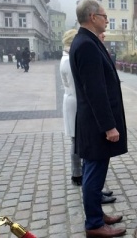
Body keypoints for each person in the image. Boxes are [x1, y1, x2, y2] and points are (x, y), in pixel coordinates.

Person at [69, 0, 127, 237]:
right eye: (104, 16)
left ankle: (97, 214)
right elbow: (95, 91)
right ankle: (94, 224)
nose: (107, 20)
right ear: (93, 17)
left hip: (93, 123)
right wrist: (109, 126)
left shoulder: (87, 41)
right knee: (93, 174)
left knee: (95, 172)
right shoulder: (86, 45)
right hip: (96, 126)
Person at [60, 29, 83, 188]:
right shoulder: (68, 59)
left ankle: (78, 173)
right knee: (76, 140)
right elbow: (75, 85)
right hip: (74, 101)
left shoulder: (67, 57)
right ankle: (76, 173)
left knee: (76, 139)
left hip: (72, 99)